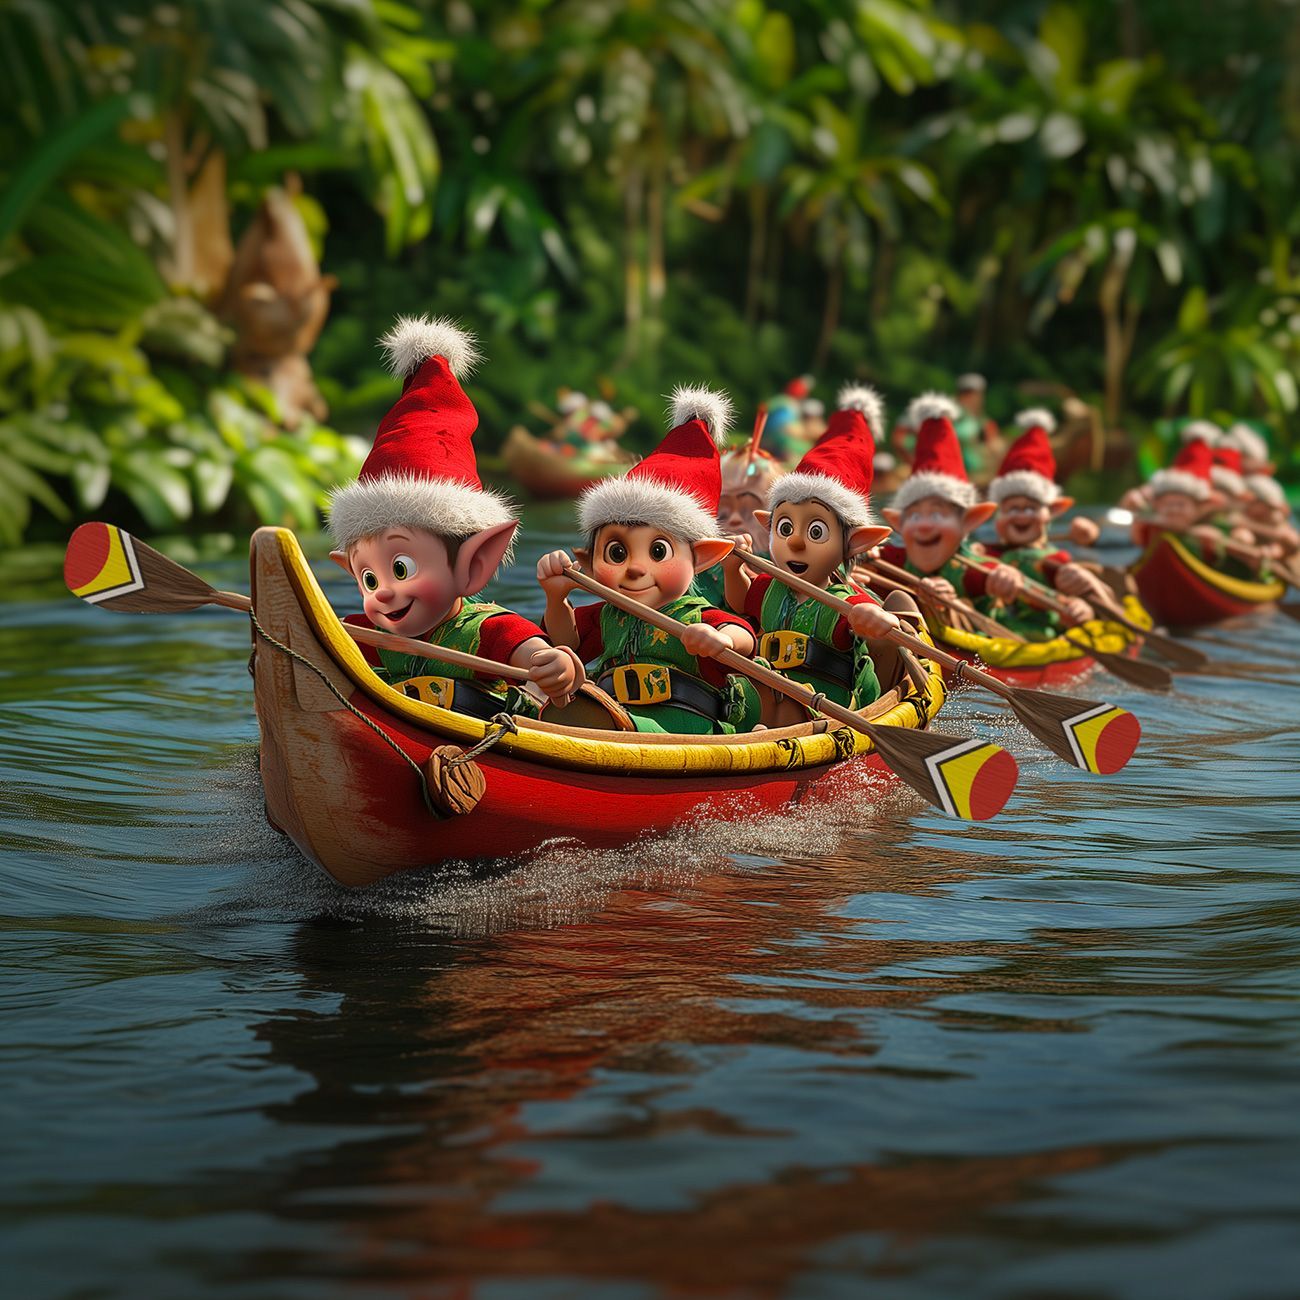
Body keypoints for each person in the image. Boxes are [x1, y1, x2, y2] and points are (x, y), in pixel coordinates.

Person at [327, 316, 583, 719]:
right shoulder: (360, 632)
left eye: (401, 568)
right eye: (369, 579)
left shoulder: (490, 630)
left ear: (472, 564)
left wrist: (557, 667)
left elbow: (538, 657)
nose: (385, 593)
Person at [536, 386, 761, 735]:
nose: (636, 568)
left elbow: (743, 634)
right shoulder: (608, 613)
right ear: (593, 563)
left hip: (686, 728)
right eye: (617, 553)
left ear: (701, 557)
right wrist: (556, 597)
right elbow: (570, 640)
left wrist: (724, 640)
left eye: (658, 552)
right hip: (615, 714)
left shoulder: (694, 616)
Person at [721, 384, 922, 728]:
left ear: (853, 543)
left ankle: (766, 730)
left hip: (826, 707)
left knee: (777, 697)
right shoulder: (769, 586)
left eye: (815, 532)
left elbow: (874, 628)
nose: (795, 543)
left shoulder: (850, 602)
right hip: (769, 694)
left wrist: (880, 624)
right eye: (784, 528)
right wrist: (731, 569)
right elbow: (741, 602)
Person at [874, 394, 1023, 626]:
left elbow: (998, 574)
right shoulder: (892, 560)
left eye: (936, 514)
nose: (923, 525)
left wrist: (1008, 578)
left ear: (968, 521)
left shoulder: (973, 570)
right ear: (900, 524)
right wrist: (857, 561)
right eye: (914, 515)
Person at [981, 410, 1103, 637]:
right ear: (997, 514)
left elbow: (1078, 599)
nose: (1021, 515)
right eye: (1011, 509)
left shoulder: (1056, 563)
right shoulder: (984, 555)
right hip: (991, 632)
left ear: (1053, 511)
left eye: (1030, 508)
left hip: (1041, 635)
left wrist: (1082, 609)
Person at [693, 443, 786, 606]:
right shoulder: (696, 573)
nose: (735, 519)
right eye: (722, 514)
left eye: (746, 510)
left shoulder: (792, 565)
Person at [953, 373, 1003, 479]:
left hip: (974, 470)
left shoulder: (979, 418)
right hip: (960, 470)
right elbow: (963, 435)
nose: (979, 399)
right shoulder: (954, 414)